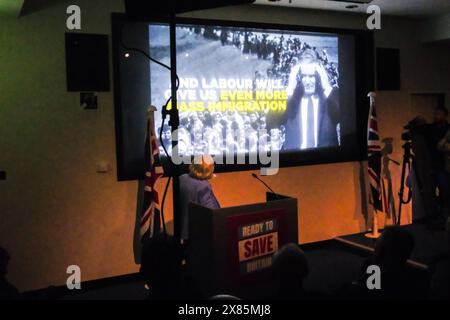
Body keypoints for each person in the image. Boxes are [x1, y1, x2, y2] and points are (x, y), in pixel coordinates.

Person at [281, 49, 339, 150]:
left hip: (326, 161)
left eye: (311, 76)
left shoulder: (329, 99)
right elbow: (271, 120)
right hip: (294, 161)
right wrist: (290, 87)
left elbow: (342, 115)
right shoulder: (292, 99)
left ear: (319, 77)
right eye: (304, 76)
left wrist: (326, 85)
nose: (307, 81)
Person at [179, 155, 220, 241]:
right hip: (196, 235)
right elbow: (212, 212)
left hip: (181, 231)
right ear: (209, 170)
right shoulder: (203, 186)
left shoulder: (182, 178)